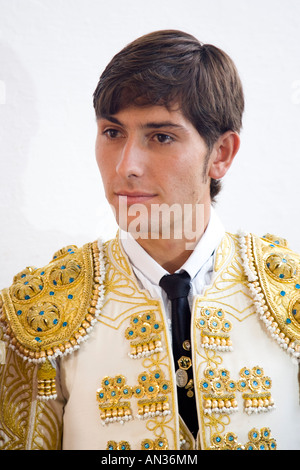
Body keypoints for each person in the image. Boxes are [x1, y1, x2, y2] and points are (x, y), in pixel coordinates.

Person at [0, 29, 299, 451]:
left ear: (221, 154)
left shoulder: (291, 296)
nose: (126, 166)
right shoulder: (38, 310)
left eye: (161, 137)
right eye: (112, 133)